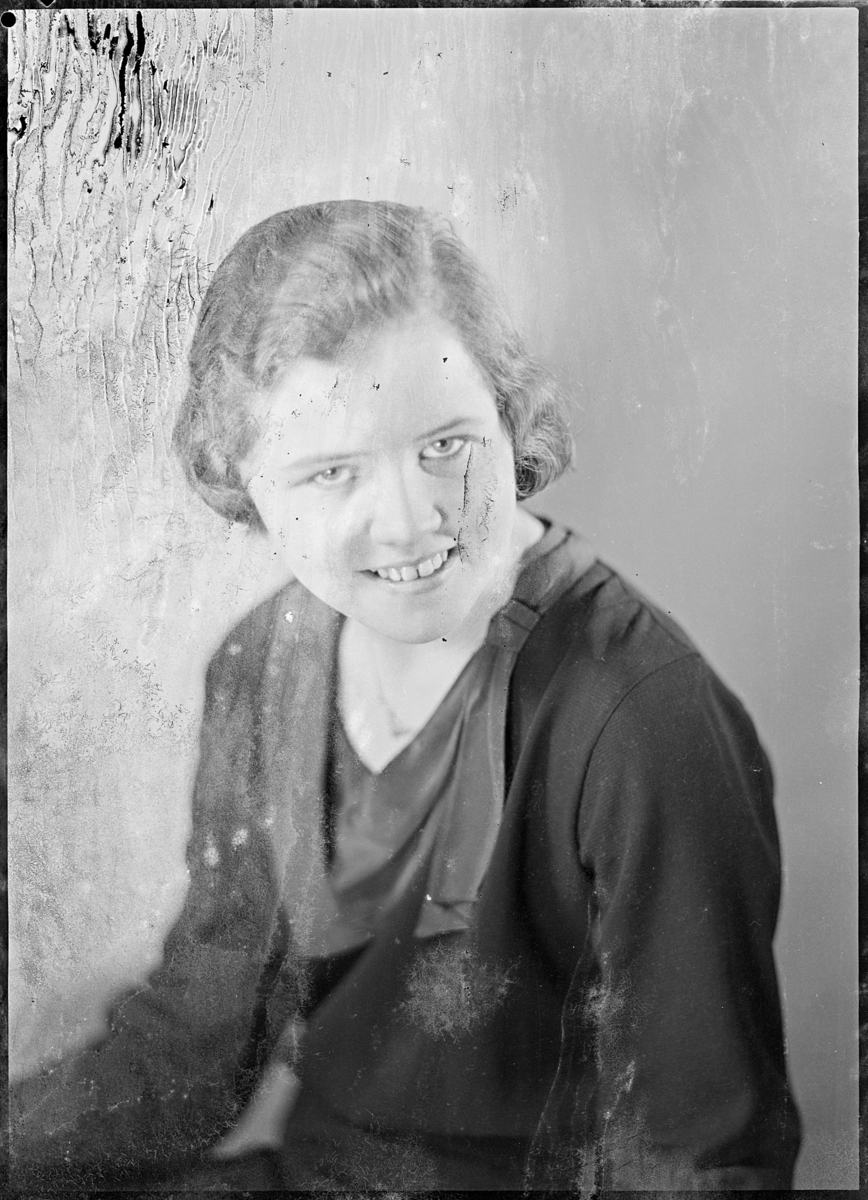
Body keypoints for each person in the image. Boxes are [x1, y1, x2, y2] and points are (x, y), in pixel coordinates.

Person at [11, 200, 801, 1191]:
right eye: (332, 472)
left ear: (510, 419)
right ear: (242, 483)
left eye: (445, 446)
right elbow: (193, 1052)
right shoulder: (262, 661)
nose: (409, 520)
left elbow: (698, 1161)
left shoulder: (639, 716)